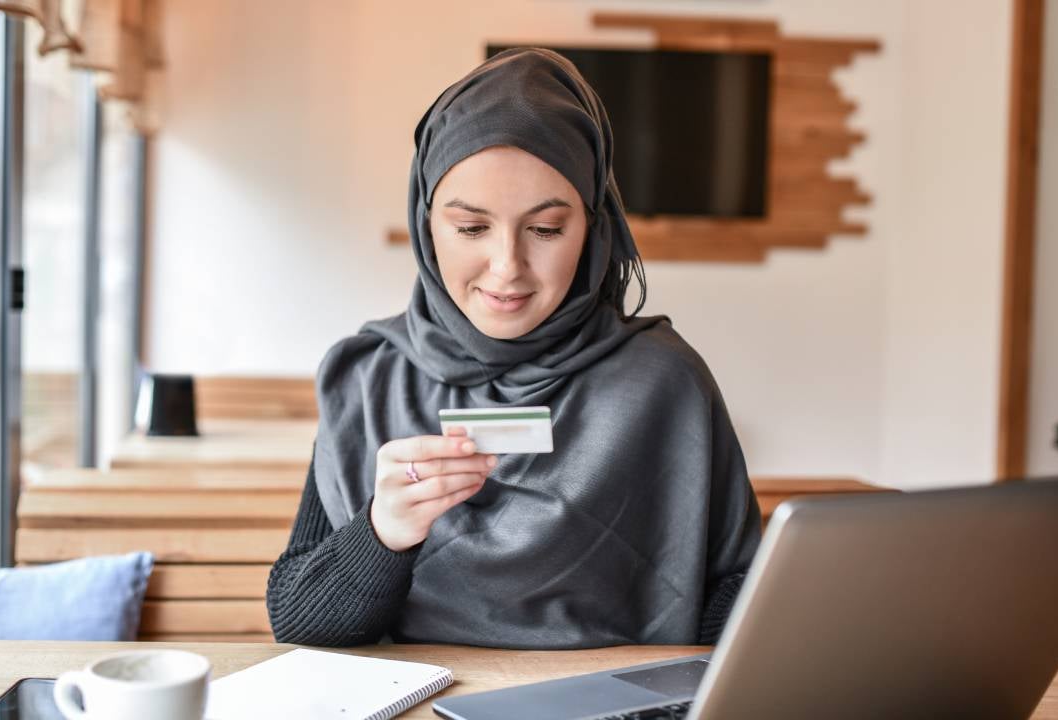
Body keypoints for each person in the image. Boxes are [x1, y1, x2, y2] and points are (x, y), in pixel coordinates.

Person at [266, 47, 761, 650]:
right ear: (427, 225)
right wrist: (381, 531)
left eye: (546, 229)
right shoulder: (369, 377)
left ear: (592, 227)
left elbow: (733, 597)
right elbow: (297, 622)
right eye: (471, 228)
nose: (507, 267)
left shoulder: (665, 380)